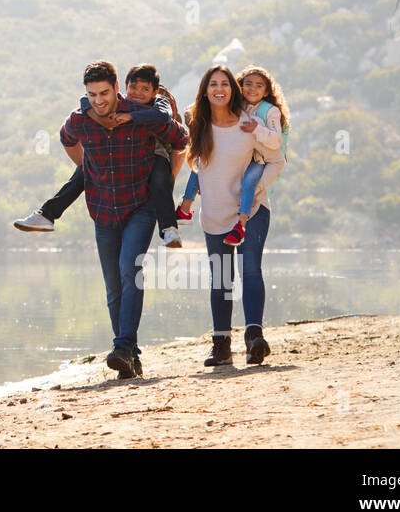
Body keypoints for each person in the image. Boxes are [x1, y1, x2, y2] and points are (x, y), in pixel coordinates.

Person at [57, 61, 189, 379]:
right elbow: (65, 138)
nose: (99, 100)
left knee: (131, 270)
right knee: (113, 287)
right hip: (102, 210)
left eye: (104, 93)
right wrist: (88, 168)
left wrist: (166, 177)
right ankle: (130, 356)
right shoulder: (81, 118)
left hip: (139, 207)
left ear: (117, 86)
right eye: (91, 94)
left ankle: (123, 347)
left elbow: (181, 138)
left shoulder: (140, 112)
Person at [15, 64, 188, 247]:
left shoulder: (157, 103)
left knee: (160, 179)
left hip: (156, 151)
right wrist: (90, 164)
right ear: (124, 88)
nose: (138, 93)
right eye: (134, 88)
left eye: (145, 89)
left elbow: (164, 117)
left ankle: (169, 228)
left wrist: (131, 117)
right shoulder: (110, 106)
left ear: (155, 92)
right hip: (121, 171)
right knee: (82, 173)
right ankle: (47, 215)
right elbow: (84, 103)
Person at [184, 65, 283, 367]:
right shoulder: (199, 127)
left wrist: (252, 192)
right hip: (214, 214)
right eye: (213, 84)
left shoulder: (249, 124)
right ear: (205, 91)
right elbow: (195, 168)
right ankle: (221, 346)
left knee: (250, 270)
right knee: (221, 279)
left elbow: (277, 160)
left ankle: (255, 339)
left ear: (233, 90)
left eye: (225, 84)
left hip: (251, 211)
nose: (219, 89)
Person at [177, 65, 289, 245]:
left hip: (258, 159)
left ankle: (241, 224)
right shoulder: (238, 107)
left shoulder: (266, 113)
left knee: (248, 185)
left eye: (259, 86)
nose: (253, 89)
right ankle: (184, 208)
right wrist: (192, 118)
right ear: (240, 87)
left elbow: (276, 150)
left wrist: (256, 129)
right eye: (248, 84)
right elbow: (196, 108)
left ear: (267, 90)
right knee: (197, 166)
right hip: (214, 215)